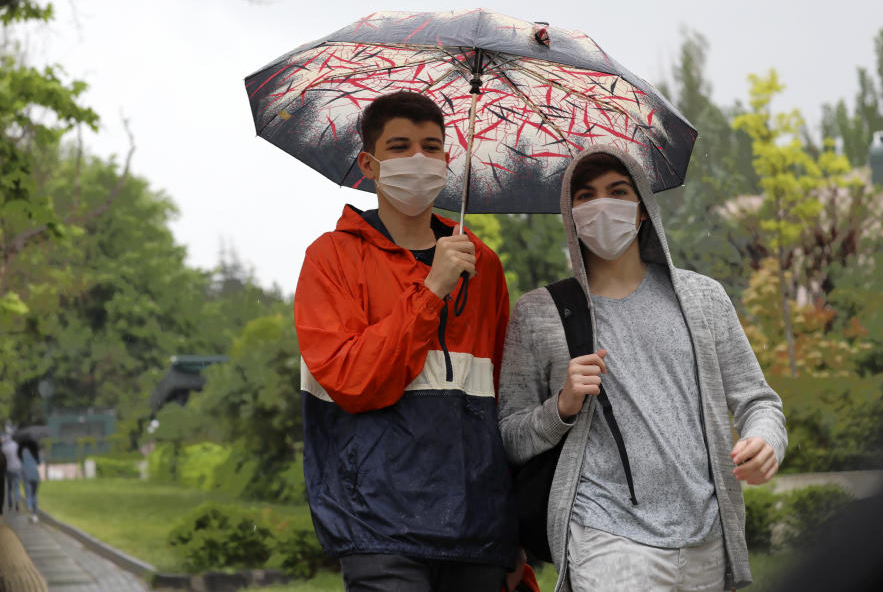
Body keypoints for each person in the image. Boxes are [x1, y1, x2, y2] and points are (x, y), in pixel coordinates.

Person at [498, 146, 787, 592]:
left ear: (642, 210)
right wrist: (561, 406)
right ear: (570, 214)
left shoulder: (703, 298)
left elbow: (758, 401)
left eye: (618, 191)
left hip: (706, 536)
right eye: (586, 196)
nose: (603, 205)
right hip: (602, 534)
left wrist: (766, 439)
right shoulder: (540, 312)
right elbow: (510, 437)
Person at [295, 91, 530, 592]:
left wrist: (515, 529)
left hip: (478, 526)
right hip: (376, 524)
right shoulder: (330, 258)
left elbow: (505, 402)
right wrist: (431, 290)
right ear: (369, 164)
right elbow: (354, 382)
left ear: (448, 161)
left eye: (432, 146)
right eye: (399, 146)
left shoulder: (481, 265)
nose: (418, 159)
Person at [19, 440, 40, 523]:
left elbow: (20, 463)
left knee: (28, 493)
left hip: (26, 475)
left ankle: (29, 507)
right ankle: (34, 514)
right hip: (35, 475)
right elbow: (39, 462)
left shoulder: (22, 453)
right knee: (34, 495)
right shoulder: (35, 452)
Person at [2, 434, 21, 513]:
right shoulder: (16, 445)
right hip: (17, 467)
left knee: (9, 488)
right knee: (16, 487)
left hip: (9, 469)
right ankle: (17, 501)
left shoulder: (3, 448)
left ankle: (10, 504)